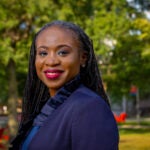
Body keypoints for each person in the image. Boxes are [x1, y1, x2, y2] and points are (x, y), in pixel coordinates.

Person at [10, 20, 119, 150]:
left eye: (62, 52)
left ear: (83, 57)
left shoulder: (89, 108)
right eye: (43, 53)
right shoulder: (46, 109)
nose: (51, 61)